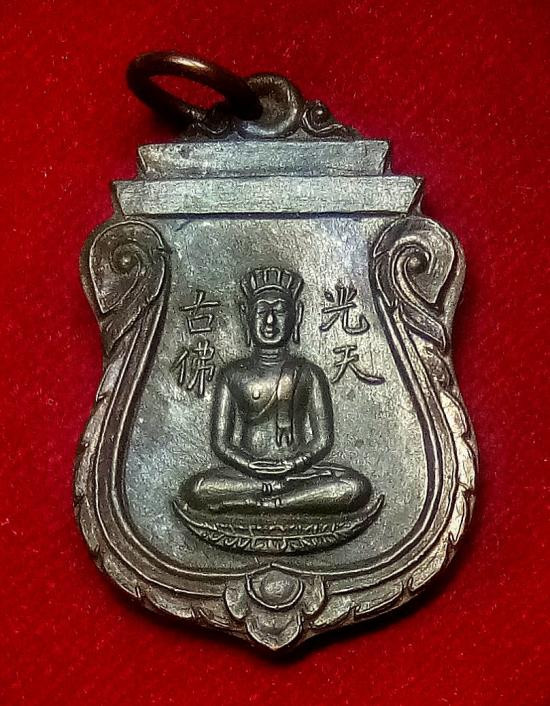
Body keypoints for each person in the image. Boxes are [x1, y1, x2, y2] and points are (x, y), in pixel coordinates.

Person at [181, 267, 371, 514]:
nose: (270, 321)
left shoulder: (309, 373)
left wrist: (294, 464)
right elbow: (221, 443)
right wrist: (250, 465)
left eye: (279, 311)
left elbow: (323, 440)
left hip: (298, 474)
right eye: (262, 312)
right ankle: (281, 496)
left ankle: (272, 502)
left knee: (354, 487)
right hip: (248, 474)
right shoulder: (233, 374)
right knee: (198, 488)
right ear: (246, 316)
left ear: (296, 316)